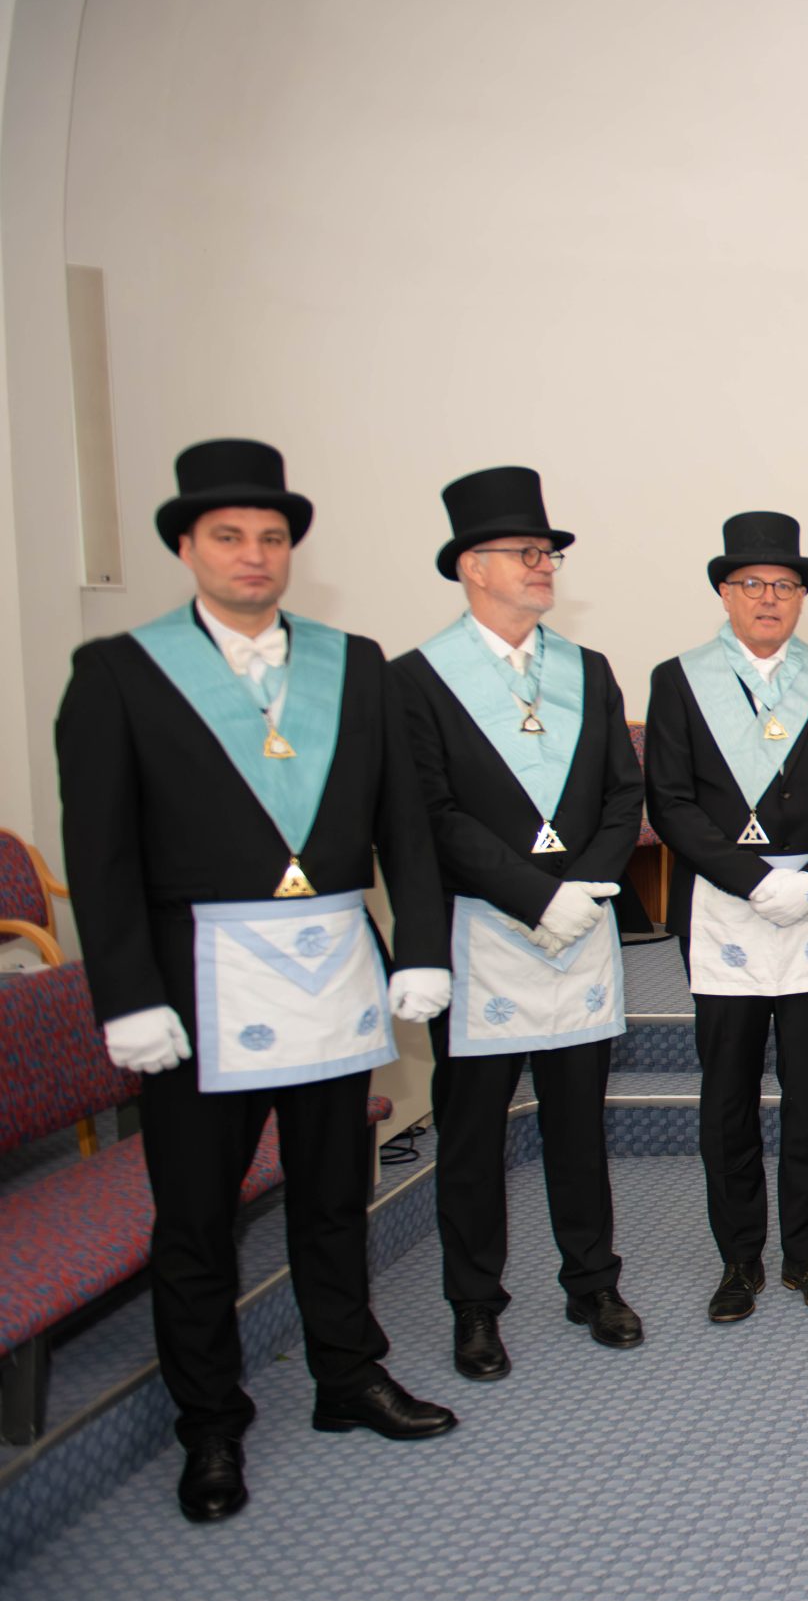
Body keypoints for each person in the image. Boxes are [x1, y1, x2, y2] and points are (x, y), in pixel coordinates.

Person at [57, 438, 457, 1523]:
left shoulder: (353, 664)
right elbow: (101, 853)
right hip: (196, 988)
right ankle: (211, 1423)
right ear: (186, 546)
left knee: (333, 1197)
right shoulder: (120, 673)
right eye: (229, 535)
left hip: (329, 972)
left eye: (272, 537)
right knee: (196, 1219)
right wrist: (125, 994)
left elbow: (404, 828)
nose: (253, 554)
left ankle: (347, 1375)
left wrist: (421, 946)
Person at [394, 465, 645, 1380]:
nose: (544, 565)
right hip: (480, 931)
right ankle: (475, 1304)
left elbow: (623, 794)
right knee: (472, 1137)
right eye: (526, 552)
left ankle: (593, 1281)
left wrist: (585, 885)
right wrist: (536, 896)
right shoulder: (416, 680)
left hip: (582, 925)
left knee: (580, 1125)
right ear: (472, 565)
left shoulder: (587, 669)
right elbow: (429, 814)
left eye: (548, 553)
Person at [645, 512, 808, 1320]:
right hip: (724, 907)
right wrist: (751, 879)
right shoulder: (679, 679)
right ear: (724, 591)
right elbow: (670, 800)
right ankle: (739, 1259)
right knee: (729, 1096)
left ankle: (807, 1255)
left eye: (784, 584)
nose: (769, 597)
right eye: (752, 583)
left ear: (803, 596)